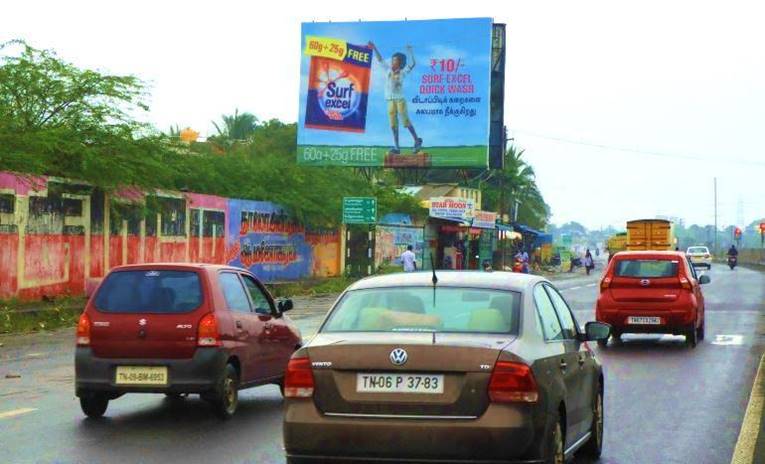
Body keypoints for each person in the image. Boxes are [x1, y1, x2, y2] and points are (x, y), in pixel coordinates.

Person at [369, 41, 422, 155]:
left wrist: (410, 50)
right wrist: (374, 47)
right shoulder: (388, 70)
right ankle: (397, 147)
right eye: (392, 60)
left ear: (400, 63)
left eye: (395, 61)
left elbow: (412, 63)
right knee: (393, 124)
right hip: (390, 100)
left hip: (400, 100)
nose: (393, 62)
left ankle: (416, 140)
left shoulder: (403, 72)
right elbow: (380, 59)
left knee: (405, 120)